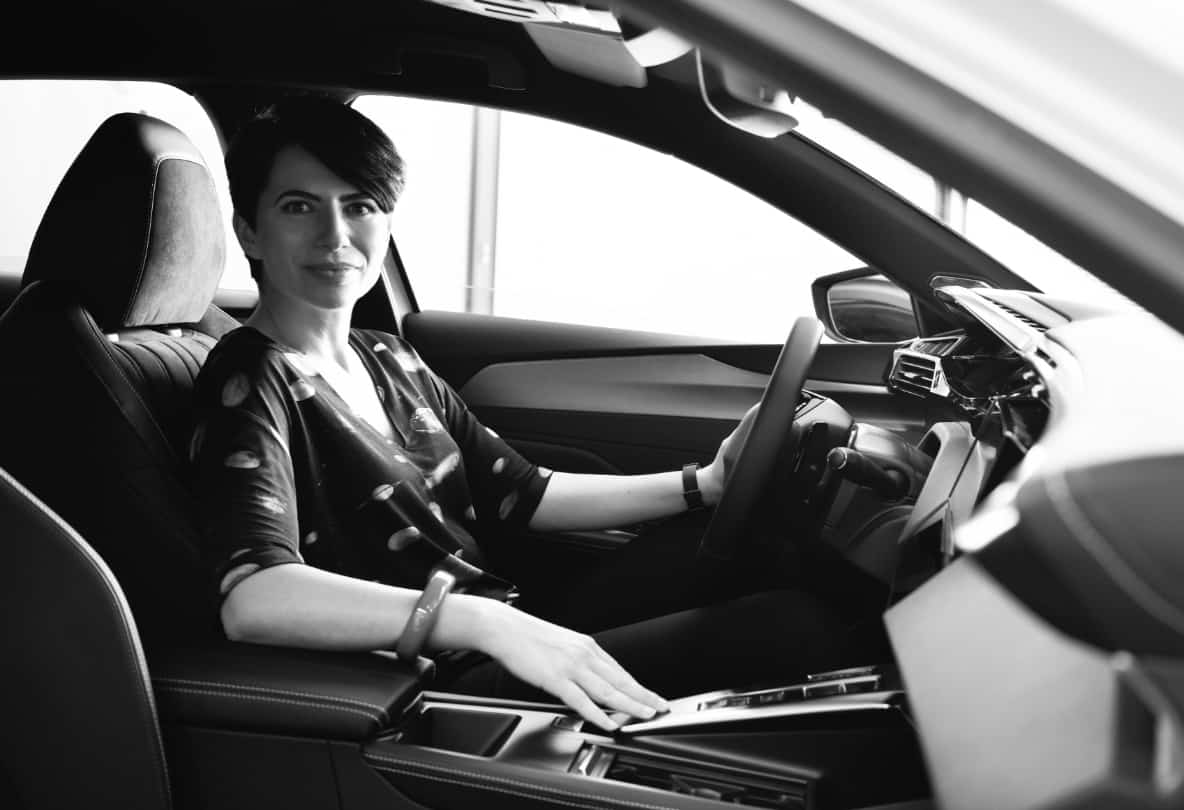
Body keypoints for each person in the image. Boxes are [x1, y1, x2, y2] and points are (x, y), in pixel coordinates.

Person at [191, 97, 882, 732]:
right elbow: (254, 597)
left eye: (361, 205)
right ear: (249, 231)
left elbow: (523, 493)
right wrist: (478, 622)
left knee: (772, 553)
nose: (336, 233)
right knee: (796, 627)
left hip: (502, 623)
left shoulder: (388, 356)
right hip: (434, 681)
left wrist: (704, 484)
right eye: (298, 207)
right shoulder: (250, 376)